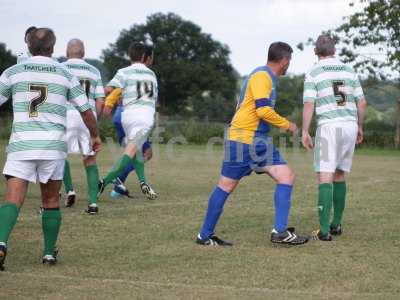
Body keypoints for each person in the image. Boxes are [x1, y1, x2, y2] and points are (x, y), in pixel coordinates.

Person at [0, 28, 100, 270]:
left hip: (22, 145)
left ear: (29, 45)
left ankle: (1, 243)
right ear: (53, 47)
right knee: (51, 198)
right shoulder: (64, 73)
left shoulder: (12, 72)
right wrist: (95, 135)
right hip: (52, 147)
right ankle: (48, 254)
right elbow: (86, 110)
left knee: (13, 198)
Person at [196, 42, 309, 246]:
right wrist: (289, 125)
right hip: (246, 140)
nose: (289, 64)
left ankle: (280, 231)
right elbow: (262, 111)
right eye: (289, 60)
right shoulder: (262, 76)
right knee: (226, 186)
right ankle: (204, 235)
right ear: (283, 60)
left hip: (256, 140)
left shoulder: (266, 78)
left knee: (286, 176)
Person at [302, 35, 367, 241]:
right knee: (340, 175)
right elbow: (362, 103)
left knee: (325, 176)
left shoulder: (314, 71)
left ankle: (324, 230)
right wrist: (359, 126)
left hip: (329, 126)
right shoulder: (348, 70)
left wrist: (305, 130)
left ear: (315, 51)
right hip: (349, 125)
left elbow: (309, 103)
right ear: (334, 50)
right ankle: (336, 224)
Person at [99, 42, 158, 198]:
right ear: (145, 57)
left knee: (137, 151)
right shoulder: (151, 74)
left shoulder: (123, 71)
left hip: (127, 116)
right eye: (150, 57)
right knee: (131, 152)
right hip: (144, 117)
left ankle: (143, 183)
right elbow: (152, 98)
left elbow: (108, 89)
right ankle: (104, 182)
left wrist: (103, 101)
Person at [61, 39, 105, 213]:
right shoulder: (94, 71)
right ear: (83, 53)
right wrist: (94, 120)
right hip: (88, 116)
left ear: (66, 52)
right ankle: (93, 204)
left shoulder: (61, 68)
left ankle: (70, 189)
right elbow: (100, 101)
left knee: (59, 156)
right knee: (90, 158)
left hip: (67, 115)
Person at [104, 83, 156, 199]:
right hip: (132, 119)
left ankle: (117, 188)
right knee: (145, 153)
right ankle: (115, 176)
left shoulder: (124, 84)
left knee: (134, 154)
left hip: (121, 117)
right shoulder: (139, 85)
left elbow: (109, 99)